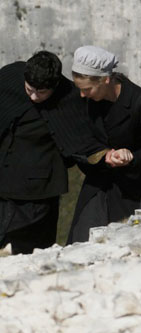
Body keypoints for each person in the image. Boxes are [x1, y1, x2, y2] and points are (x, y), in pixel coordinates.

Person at [0, 51, 107, 254]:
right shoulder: (10, 77)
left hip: (38, 190)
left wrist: (105, 156)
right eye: (29, 89)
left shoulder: (69, 99)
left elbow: (81, 139)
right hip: (3, 181)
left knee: (31, 250)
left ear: (54, 86)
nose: (33, 97)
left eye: (41, 93)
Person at [67, 45, 141, 244]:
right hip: (100, 188)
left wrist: (131, 157)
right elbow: (81, 138)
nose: (82, 95)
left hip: (139, 191)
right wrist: (104, 155)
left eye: (87, 89)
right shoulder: (88, 101)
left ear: (106, 80)